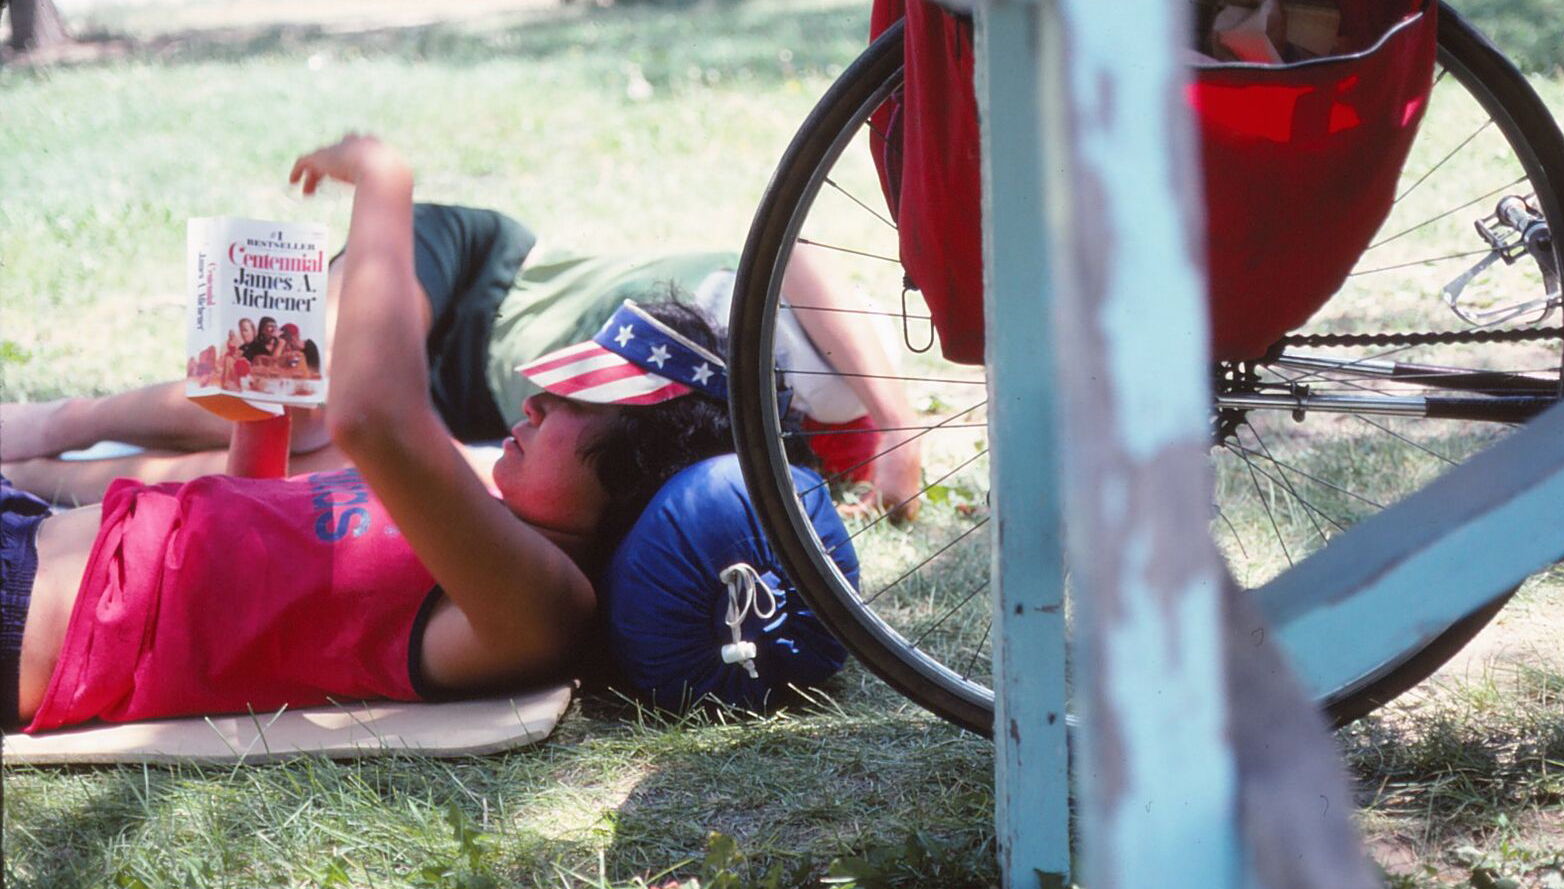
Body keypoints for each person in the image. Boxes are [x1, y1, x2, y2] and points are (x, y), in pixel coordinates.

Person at [1, 135, 739, 735]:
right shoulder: (492, 520)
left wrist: (385, 180)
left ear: (636, 478)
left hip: (25, 601)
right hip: (37, 536)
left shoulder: (545, 605)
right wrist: (265, 413)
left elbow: (374, 418)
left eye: (582, 401)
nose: (539, 399)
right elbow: (252, 581)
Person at [3, 212, 923, 520]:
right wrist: (902, 429)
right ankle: (55, 424)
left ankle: (48, 482)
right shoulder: (832, 360)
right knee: (306, 396)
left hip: (472, 405)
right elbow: (802, 255)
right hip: (475, 274)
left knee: (321, 463)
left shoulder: (791, 447)